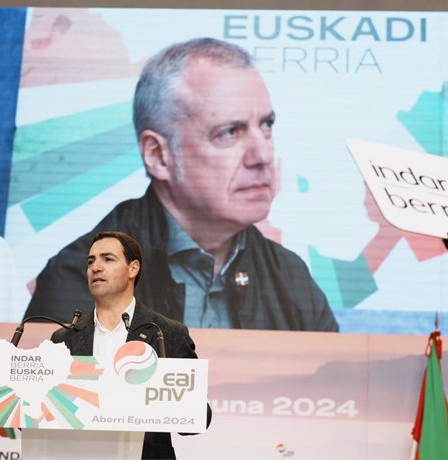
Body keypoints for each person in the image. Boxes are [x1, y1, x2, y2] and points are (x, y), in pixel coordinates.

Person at [25, 37, 338, 332]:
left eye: (266, 125)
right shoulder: (83, 279)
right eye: (229, 132)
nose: (263, 155)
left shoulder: (291, 279)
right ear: (159, 156)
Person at [50, 231, 209, 459]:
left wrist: (164, 393)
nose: (96, 267)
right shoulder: (63, 339)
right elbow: (42, 411)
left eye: (108, 259)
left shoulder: (166, 333)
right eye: (91, 261)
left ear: (133, 268)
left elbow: (197, 420)